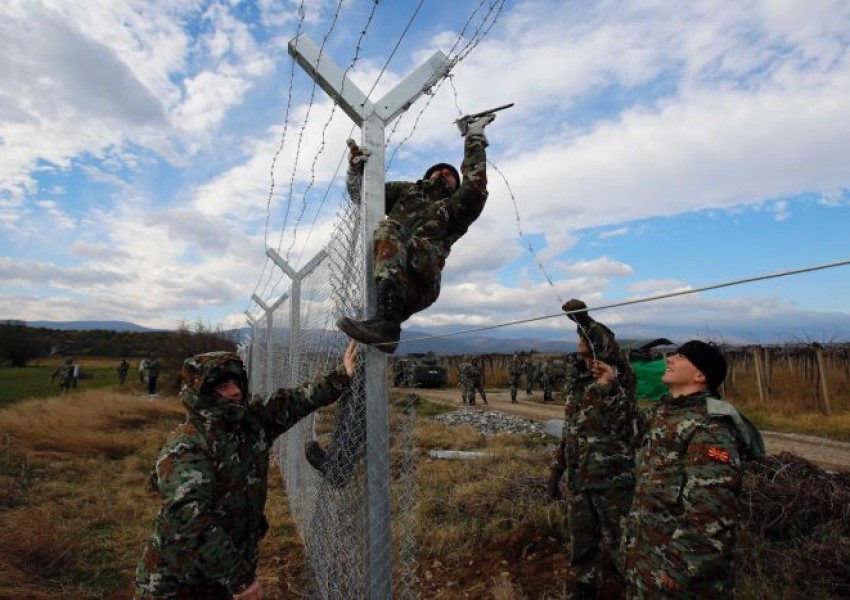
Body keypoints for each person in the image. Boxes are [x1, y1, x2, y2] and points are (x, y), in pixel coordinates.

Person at [135, 341, 358, 599]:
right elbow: (191, 520)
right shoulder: (187, 447)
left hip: (224, 574)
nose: (234, 392)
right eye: (221, 386)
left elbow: (293, 402)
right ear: (199, 392)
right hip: (180, 582)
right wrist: (241, 581)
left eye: (236, 383)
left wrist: (342, 376)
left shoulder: (249, 423)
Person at [592, 340, 764, 599]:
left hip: (677, 581)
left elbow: (709, 515)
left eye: (681, 357)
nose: (670, 359)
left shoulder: (711, 429)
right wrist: (610, 386)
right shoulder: (665, 412)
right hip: (644, 564)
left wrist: (673, 575)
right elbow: (629, 427)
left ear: (700, 375)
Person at [336, 112, 497, 353]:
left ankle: (387, 327)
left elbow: (474, 189)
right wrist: (356, 172)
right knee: (389, 231)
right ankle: (384, 325)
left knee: (390, 228)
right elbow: (364, 197)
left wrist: (474, 138)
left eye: (451, 175)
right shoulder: (407, 192)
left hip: (421, 279)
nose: (444, 173)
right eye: (439, 171)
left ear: (456, 186)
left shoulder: (453, 209)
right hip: (391, 275)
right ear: (426, 175)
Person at [549, 299, 637, 599]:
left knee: (621, 542)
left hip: (611, 478)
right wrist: (556, 472)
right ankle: (583, 591)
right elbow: (571, 431)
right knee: (581, 544)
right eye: (580, 337)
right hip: (579, 477)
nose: (582, 341)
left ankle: (636, 590)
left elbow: (606, 343)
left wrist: (584, 321)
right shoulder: (576, 377)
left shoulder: (618, 374)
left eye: (587, 338)